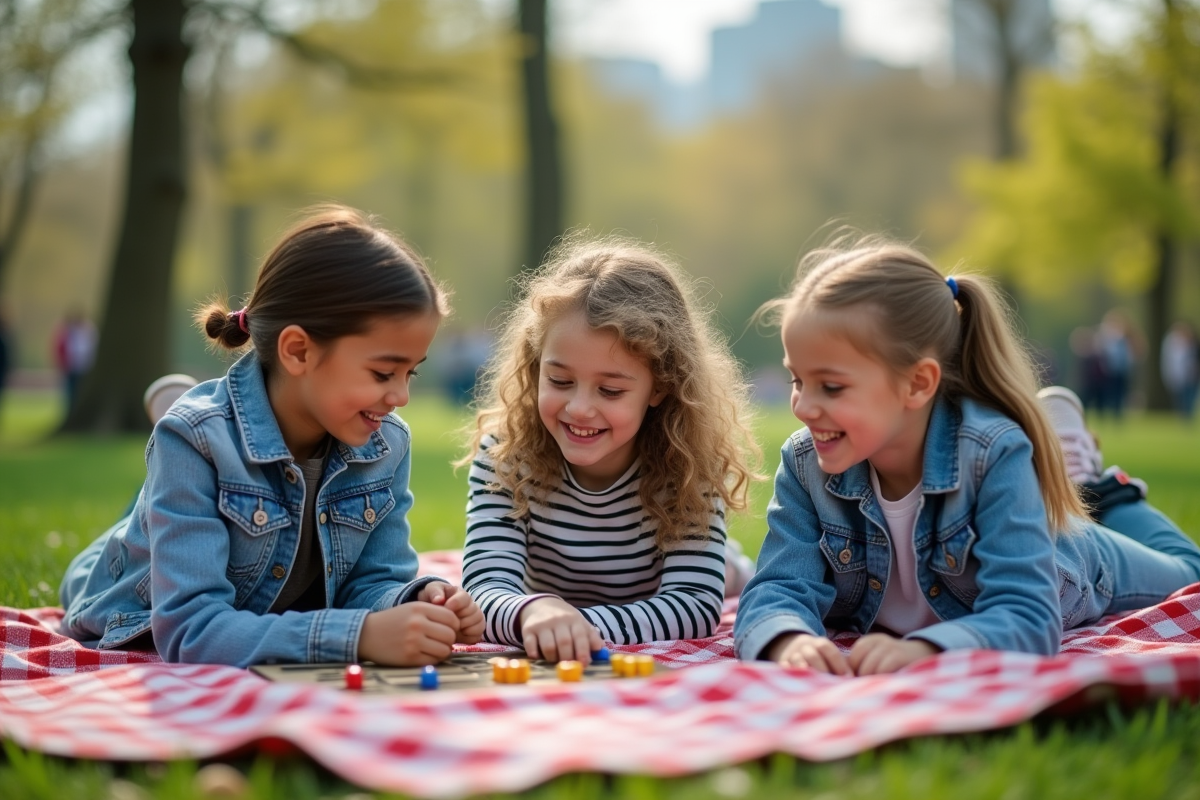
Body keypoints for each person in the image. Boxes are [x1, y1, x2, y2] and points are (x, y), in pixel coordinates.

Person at [734, 238, 1200, 675]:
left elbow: (1028, 614)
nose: (803, 407)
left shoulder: (991, 452)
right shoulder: (805, 463)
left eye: (831, 386)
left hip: (1074, 558)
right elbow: (778, 586)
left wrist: (926, 649)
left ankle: (1101, 490)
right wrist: (786, 639)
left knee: (1191, 574)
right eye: (798, 380)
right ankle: (1069, 472)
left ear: (917, 384)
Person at [59, 205, 484, 668]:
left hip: (243, 559)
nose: (401, 397)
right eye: (384, 373)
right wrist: (356, 636)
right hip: (123, 586)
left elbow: (371, 583)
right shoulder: (194, 440)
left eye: (411, 373)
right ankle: (171, 448)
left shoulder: (385, 443)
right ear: (298, 351)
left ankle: (168, 463)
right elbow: (191, 630)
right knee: (117, 540)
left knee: (176, 471)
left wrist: (417, 600)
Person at [460, 235, 760, 664]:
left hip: (683, 580)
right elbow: (485, 588)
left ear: (660, 387)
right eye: (560, 381)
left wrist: (572, 625)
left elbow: (693, 605)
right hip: (554, 598)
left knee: (728, 574)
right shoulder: (506, 457)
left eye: (610, 390)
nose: (579, 408)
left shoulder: (687, 468)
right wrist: (532, 612)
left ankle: (730, 566)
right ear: (536, 365)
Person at [52, 308, 96, 413]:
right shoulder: (67, 332)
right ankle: (71, 411)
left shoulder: (89, 331)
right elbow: (60, 349)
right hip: (71, 368)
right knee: (70, 392)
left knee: (82, 391)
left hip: (85, 368)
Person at [1161, 321, 1199, 420]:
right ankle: (1183, 414)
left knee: (1190, 395)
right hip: (1179, 375)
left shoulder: (1193, 343)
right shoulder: (1171, 343)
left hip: (1191, 375)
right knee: (1180, 396)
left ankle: (1188, 415)